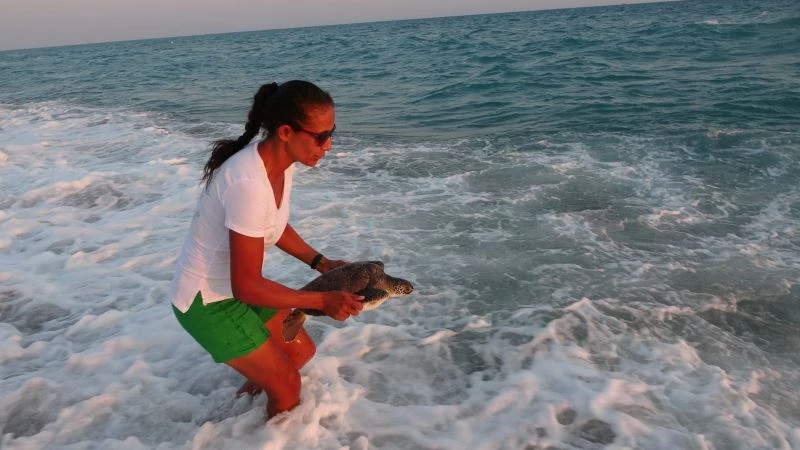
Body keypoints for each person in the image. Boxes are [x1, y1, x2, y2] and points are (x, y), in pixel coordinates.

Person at [169, 80, 364, 419]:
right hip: (206, 302)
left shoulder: (278, 164)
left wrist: (321, 263)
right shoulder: (248, 183)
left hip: (230, 291)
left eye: (332, 133)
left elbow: (272, 224)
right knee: (289, 386)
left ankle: (237, 416)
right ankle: (264, 433)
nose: (329, 145)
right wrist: (321, 300)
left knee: (299, 354)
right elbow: (247, 286)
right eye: (320, 136)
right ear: (286, 132)